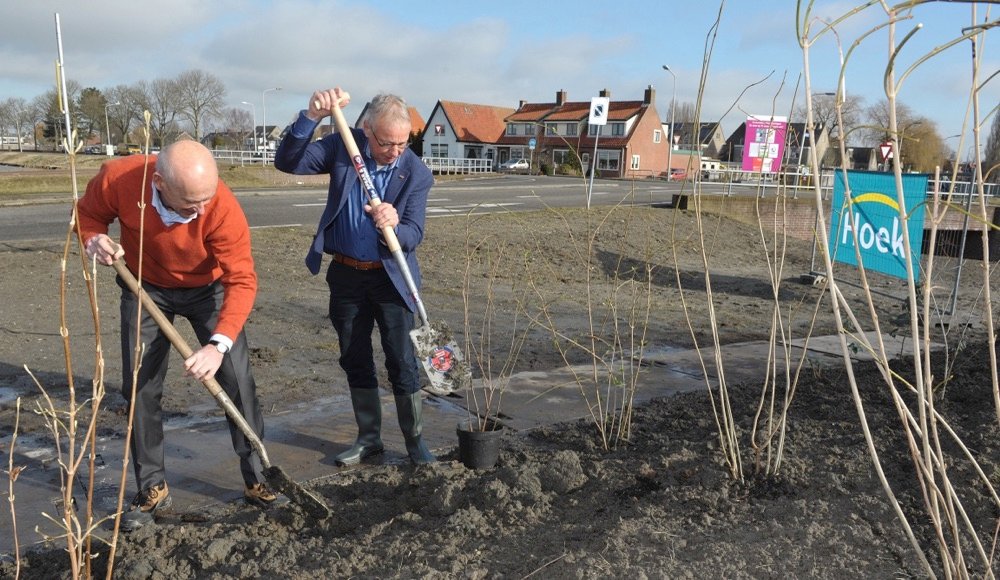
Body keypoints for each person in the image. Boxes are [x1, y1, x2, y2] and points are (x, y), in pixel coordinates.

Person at [78, 140, 282, 530]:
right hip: (144, 287)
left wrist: (218, 345)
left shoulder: (221, 205)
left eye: (207, 198)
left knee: (237, 380)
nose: (203, 209)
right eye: (191, 203)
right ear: (159, 183)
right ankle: (152, 487)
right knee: (140, 385)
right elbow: (87, 214)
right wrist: (93, 240)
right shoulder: (119, 179)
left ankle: (258, 477)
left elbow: (242, 279)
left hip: (210, 289)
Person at [274, 88, 436, 465]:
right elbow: (288, 162)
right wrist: (310, 118)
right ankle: (369, 439)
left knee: (402, 360)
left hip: (391, 279)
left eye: (403, 142)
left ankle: (415, 443)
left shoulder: (416, 172)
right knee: (354, 356)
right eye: (386, 143)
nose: (396, 151)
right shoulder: (342, 149)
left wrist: (396, 223)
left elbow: (415, 233)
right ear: (366, 129)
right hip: (346, 275)